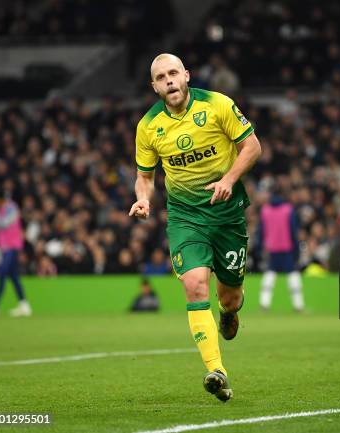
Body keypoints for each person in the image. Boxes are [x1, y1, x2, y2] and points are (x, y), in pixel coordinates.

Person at [128, 53, 261, 402]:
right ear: (154, 86)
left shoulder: (217, 105)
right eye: (161, 77)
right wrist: (143, 199)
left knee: (229, 296)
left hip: (227, 214)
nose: (169, 80)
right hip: (186, 218)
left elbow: (252, 147)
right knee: (195, 283)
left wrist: (230, 179)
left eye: (174, 73)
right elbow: (145, 178)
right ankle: (216, 370)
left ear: (186, 75)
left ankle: (230, 310)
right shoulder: (148, 127)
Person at [0, 191, 32, 317]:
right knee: (14, 277)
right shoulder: (0, 211)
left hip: (12, 247)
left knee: (2, 272)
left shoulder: (11, 208)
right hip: (5, 247)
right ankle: (24, 305)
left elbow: (4, 224)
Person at [257, 191, 305, 311]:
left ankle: (264, 304)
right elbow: (293, 230)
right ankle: (298, 305)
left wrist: (259, 246)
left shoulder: (265, 210)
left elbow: (261, 231)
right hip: (287, 248)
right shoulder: (288, 210)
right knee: (293, 276)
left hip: (272, 249)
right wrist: (296, 248)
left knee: (269, 276)